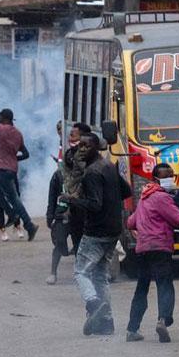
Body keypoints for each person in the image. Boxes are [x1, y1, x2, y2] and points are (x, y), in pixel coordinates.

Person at [61, 132, 132, 337]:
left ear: (96, 148)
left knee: (80, 272)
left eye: (86, 145)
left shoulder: (92, 172)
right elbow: (126, 191)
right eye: (80, 145)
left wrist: (71, 199)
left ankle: (93, 305)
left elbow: (95, 204)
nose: (81, 149)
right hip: (113, 230)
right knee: (100, 276)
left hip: (97, 231)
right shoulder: (109, 166)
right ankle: (107, 322)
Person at [124, 163, 179, 343]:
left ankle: (132, 329)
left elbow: (131, 222)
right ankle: (163, 320)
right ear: (156, 179)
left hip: (143, 249)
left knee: (142, 288)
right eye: (166, 176)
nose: (170, 178)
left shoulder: (144, 197)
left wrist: (142, 225)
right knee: (164, 284)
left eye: (171, 175)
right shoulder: (161, 197)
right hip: (160, 247)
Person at [0, 108, 38, 241]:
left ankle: (13, 215)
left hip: (1, 170)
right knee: (14, 199)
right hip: (12, 170)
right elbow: (26, 154)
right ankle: (29, 225)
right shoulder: (18, 133)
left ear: (4, 118)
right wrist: (12, 158)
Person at [45, 147, 83, 285]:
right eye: (70, 157)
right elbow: (52, 197)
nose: (72, 159)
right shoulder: (58, 175)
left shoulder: (85, 175)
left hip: (79, 215)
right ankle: (53, 273)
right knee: (59, 243)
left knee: (79, 245)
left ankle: (80, 274)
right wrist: (50, 216)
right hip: (61, 215)